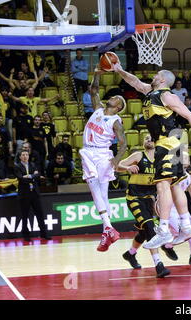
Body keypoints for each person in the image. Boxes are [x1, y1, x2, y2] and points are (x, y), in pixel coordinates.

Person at [114, 63, 191, 249]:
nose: (153, 76)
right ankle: (186, 226)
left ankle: (164, 230)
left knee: (162, 185)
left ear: (162, 79)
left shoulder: (167, 96)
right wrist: (118, 69)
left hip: (167, 144)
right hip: (167, 146)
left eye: (157, 74)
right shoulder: (151, 92)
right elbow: (133, 81)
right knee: (175, 186)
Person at [79, 66, 128, 252]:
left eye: (116, 98)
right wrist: (97, 74)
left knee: (95, 188)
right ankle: (107, 230)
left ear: (118, 107)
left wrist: (116, 159)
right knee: (101, 192)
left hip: (101, 154)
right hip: (89, 151)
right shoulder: (99, 109)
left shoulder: (115, 121)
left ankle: (107, 228)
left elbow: (123, 143)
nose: (112, 97)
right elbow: (93, 90)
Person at [116, 135, 171, 278]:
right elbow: (117, 165)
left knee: (143, 231)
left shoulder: (161, 159)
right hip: (134, 198)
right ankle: (159, 265)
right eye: (146, 138)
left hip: (149, 199)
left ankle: (130, 254)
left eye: (151, 138)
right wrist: (127, 167)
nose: (149, 140)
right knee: (149, 226)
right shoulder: (138, 155)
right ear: (143, 142)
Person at [159, 163, 191, 266]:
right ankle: (167, 245)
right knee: (175, 230)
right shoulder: (167, 173)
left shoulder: (188, 177)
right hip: (167, 205)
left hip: (179, 207)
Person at [14, 150, 51, 242]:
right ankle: (26, 235)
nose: (25, 156)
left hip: (34, 193)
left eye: (26, 154)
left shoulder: (33, 165)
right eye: (23, 155)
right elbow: (21, 179)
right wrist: (32, 177)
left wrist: (29, 176)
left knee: (40, 214)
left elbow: (38, 175)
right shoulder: (17, 166)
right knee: (25, 216)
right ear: (20, 157)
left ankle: (44, 234)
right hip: (24, 194)